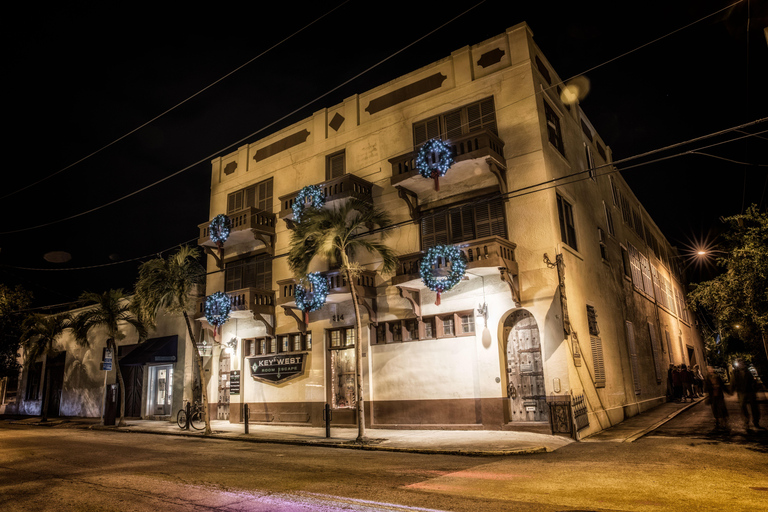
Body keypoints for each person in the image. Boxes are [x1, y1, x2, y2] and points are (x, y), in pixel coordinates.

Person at [732, 359, 761, 432]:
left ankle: (756, 421)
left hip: (749, 391)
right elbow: (733, 381)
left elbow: (752, 381)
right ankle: (746, 421)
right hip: (741, 392)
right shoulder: (735, 372)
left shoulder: (748, 372)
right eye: (740, 363)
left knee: (754, 407)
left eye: (742, 363)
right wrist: (732, 390)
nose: (741, 364)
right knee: (743, 407)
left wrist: (754, 387)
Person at [704, 366, 730, 431]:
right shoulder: (707, 378)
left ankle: (724, 421)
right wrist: (707, 394)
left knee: (722, 408)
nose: (711, 371)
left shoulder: (717, 377)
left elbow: (722, 385)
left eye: (711, 369)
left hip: (719, 395)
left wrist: (727, 391)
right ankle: (717, 421)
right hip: (712, 396)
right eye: (709, 370)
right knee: (715, 408)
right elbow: (706, 387)